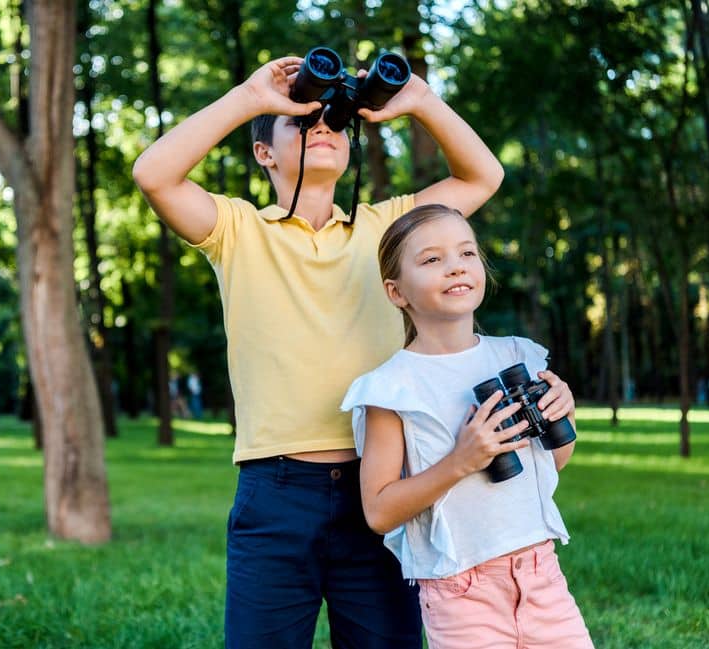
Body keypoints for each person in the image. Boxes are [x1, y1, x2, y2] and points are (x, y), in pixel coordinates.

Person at [133, 52, 503, 648]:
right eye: (300, 122)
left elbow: (483, 177)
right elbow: (154, 173)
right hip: (274, 493)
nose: (322, 125)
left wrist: (423, 102)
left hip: (380, 487)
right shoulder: (237, 230)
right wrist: (252, 98)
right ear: (264, 153)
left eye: (333, 119)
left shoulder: (389, 231)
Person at [341, 205, 594, 649]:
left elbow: (551, 464)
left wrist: (564, 416)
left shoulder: (518, 356)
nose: (456, 266)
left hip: (541, 576)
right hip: (461, 593)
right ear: (396, 291)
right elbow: (378, 512)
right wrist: (461, 461)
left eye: (467, 253)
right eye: (432, 259)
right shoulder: (390, 389)